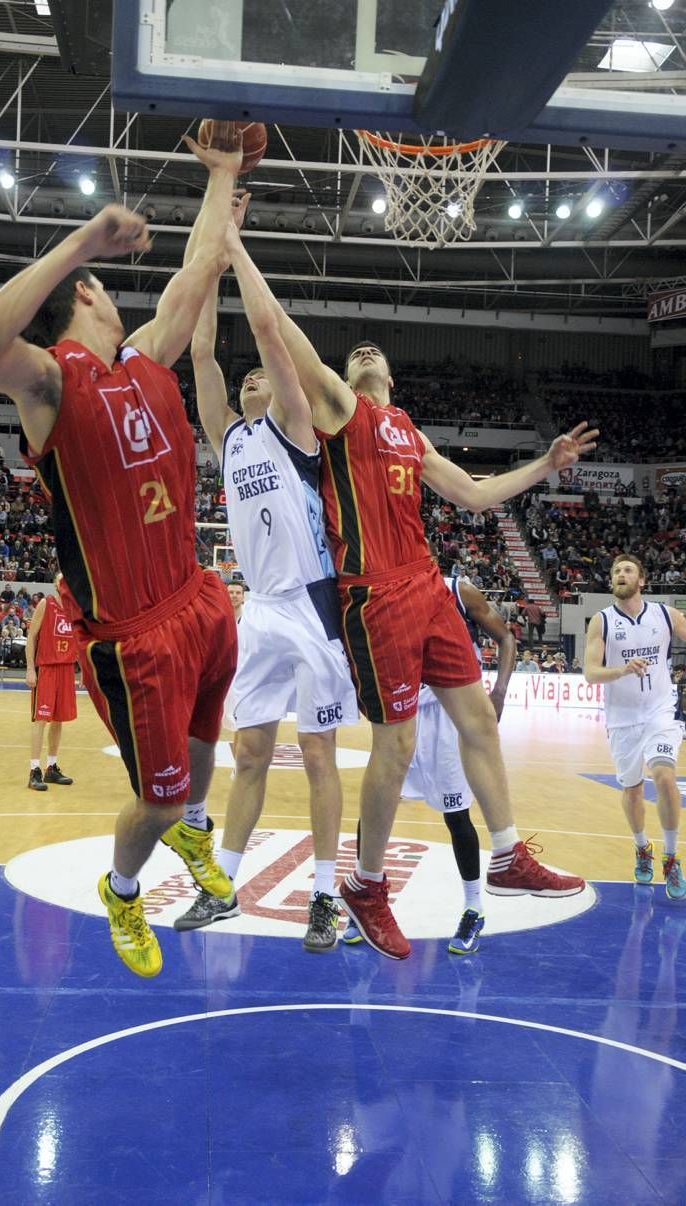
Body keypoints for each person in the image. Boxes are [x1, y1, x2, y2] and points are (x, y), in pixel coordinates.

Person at [227, 230, 591, 957]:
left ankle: (509, 851)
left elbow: (479, 494)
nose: (363, 351)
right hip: (374, 595)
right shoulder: (339, 409)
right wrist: (233, 242)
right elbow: (273, 327)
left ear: (391, 372)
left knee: (478, 723)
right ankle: (364, 883)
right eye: (355, 351)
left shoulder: (408, 433)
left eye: (372, 351)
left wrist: (544, 466)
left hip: (427, 587)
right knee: (396, 744)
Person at [0, 129, 245, 978]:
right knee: (156, 799)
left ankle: (193, 831)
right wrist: (82, 238)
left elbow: (196, 275)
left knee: (202, 750)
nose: (129, 296)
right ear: (86, 292)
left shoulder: (146, 358)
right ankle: (123, 891)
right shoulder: (51, 382)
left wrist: (223, 177)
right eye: (103, 282)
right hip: (134, 634)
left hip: (198, 598)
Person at [178, 198, 358, 951]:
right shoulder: (229, 439)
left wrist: (237, 243)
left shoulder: (291, 424)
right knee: (249, 752)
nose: (252, 379)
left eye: (260, 377)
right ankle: (221, 886)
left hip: (311, 602)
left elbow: (270, 343)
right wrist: (209, 265)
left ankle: (324, 895)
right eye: (246, 379)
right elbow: (201, 355)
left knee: (317, 751)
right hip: (258, 609)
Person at [345, 574, 517, 955]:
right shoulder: (381, 592)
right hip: (402, 710)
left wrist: (499, 691)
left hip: (446, 713)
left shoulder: (458, 589)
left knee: (457, 816)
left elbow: (506, 637)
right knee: (375, 807)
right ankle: (365, 900)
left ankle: (474, 907)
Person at [583, 554, 686, 900]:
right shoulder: (602, 622)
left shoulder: (666, 615)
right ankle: (642, 846)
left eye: (628, 570)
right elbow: (590, 672)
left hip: (660, 710)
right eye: (616, 571)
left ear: (642, 580)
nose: (621, 574)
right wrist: (623, 670)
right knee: (632, 789)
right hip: (622, 718)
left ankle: (671, 856)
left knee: (665, 777)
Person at [24, 575, 78, 791]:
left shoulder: (76, 608)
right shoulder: (46, 604)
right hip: (46, 668)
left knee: (59, 720)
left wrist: (81, 669)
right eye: (62, 580)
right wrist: (30, 669)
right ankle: (34, 770)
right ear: (57, 584)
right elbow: (31, 637)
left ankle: (51, 767)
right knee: (41, 720)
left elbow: (80, 639)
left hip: (66, 669)